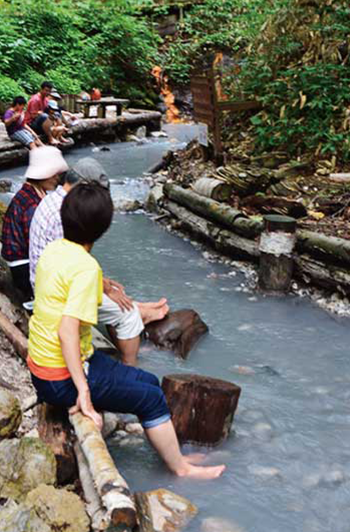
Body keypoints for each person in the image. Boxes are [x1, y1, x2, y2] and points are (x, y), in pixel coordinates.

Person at [29, 183, 225, 479]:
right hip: (61, 378)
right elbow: (67, 331)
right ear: (102, 229)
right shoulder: (85, 267)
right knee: (151, 398)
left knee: (147, 380)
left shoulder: (55, 250)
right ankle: (181, 469)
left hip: (46, 367)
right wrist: (83, 393)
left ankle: (164, 442)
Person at [29, 157, 167, 365]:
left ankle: (138, 311)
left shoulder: (53, 200)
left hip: (45, 279)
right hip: (55, 291)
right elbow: (70, 266)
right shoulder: (64, 213)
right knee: (126, 314)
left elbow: (68, 260)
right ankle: (131, 364)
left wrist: (105, 284)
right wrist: (105, 287)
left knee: (115, 293)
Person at [1, 146, 68, 297]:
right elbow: (37, 243)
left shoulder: (32, 193)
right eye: (55, 175)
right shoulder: (31, 204)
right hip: (23, 269)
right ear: (45, 174)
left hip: (21, 262)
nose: (58, 179)